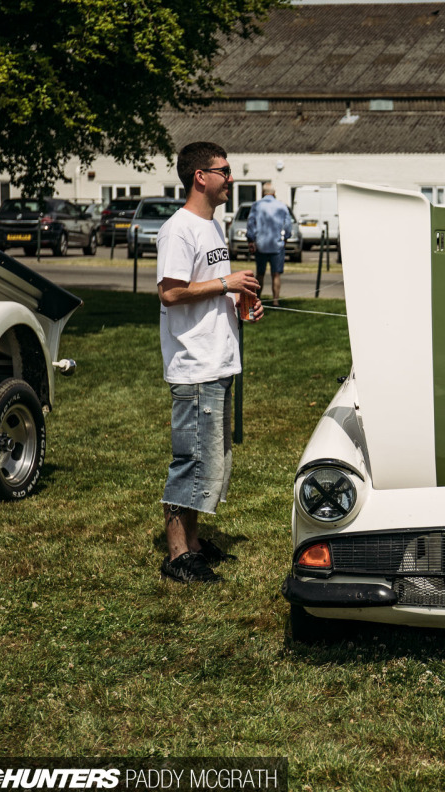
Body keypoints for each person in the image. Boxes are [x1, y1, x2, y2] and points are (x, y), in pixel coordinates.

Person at [156, 141, 264, 583]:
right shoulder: (178, 229)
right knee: (192, 460)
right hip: (195, 364)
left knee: (211, 461)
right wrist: (226, 282)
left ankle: (195, 544)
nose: (231, 179)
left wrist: (240, 303)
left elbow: (209, 290)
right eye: (224, 171)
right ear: (201, 176)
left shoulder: (212, 227)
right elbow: (170, 292)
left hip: (219, 360)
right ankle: (177, 555)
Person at [246, 182, 295, 306]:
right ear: (274, 193)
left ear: (263, 193)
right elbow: (288, 224)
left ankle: (257, 299)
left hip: (261, 244)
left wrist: (251, 240)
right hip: (276, 245)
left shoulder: (256, 205)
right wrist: (286, 238)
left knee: (260, 274)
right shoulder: (282, 206)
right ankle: (275, 301)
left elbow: (251, 223)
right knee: (276, 274)